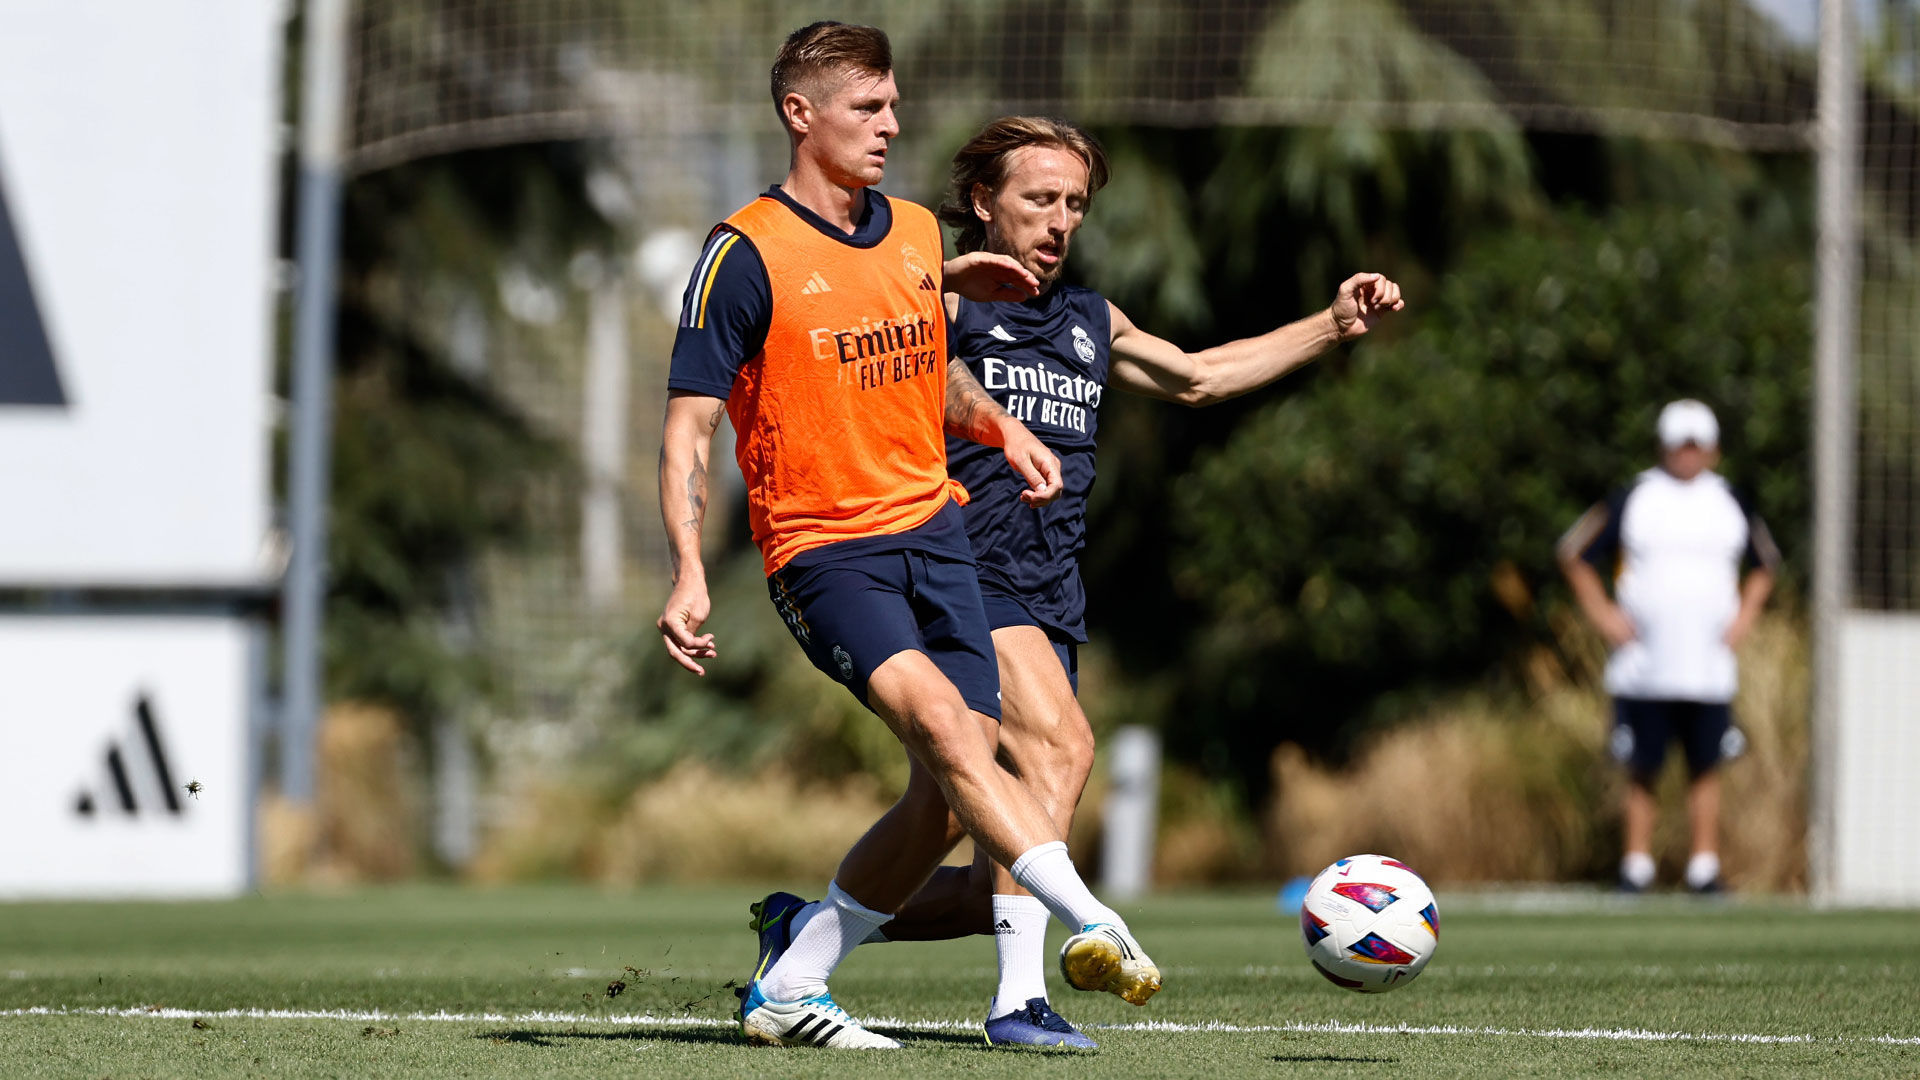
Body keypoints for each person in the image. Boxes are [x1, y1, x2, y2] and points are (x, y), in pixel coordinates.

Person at [752, 115, 1405, 1050]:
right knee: (1060, 749)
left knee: (969, 842)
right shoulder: (938, 303)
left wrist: (1335, 324)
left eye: (1074, 205)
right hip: (959, 572)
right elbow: (870, 357)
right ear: (984, 202)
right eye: (1038, 200)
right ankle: (1019, 1002)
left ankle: (802, 941)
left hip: (1052, 593)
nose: (1060, 221)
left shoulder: (1092, 322)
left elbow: (1198, 378)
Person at [657, 27, 1162, 1051]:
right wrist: (684, 571)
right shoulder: (743, 253)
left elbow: (928, 372)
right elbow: (688, 427)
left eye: (893, 107)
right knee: (943, 724)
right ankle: (1093, 922)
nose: (891, 126)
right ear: (802, 114)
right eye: (867, 109)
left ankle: (795, 979)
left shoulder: (916, 236)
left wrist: (1002, 426)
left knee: (946, 794)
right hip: (823, 549)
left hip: (935, 533)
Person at [1557, 399, 1780, 894]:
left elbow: (1767, 563)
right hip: (1643, 667)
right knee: (1642, 765)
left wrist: (1744, 618)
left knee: (1706, 766)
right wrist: (1603, 617)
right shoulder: (1635, 495)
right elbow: (1573, 552)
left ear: (1713, 450)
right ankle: (1635, 866)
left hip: (1708, 668)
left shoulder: (1731, 500)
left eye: (1696, 445)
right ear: (1663, 446)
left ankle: (1704, 867)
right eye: (1680, 445)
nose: (1688, 454)